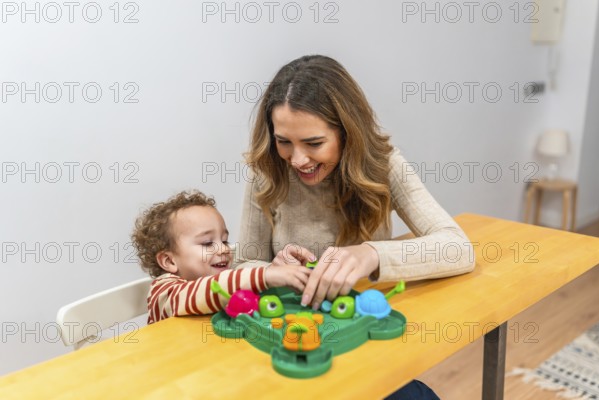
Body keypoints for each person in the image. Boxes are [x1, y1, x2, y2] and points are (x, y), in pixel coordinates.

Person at [238, 55, 474, 312]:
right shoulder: (268, 171)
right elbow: (243, 265)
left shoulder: (386, 166)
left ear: (348, 132)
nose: (297, 160)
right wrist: (270, 272)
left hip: (365, 320)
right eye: (284, 141)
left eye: (314, 143)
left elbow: (457, 247)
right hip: (293, 325)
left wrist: (371, 255)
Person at [131, 190, 310, 324]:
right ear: (169, 261)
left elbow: (241, 275)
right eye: (208, 243)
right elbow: (204, 292)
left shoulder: (226, 278)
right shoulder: (164, 292)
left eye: (224, 241)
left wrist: (278, 270)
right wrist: (264, 277)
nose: (223, 249)